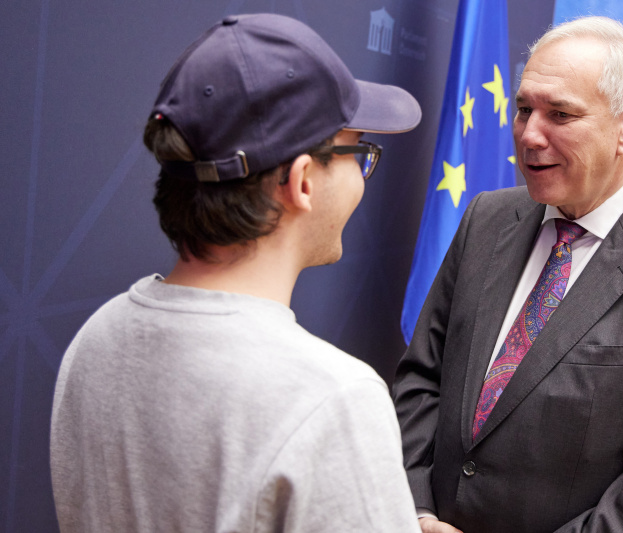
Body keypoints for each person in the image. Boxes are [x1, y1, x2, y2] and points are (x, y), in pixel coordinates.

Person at [50, 13, 423, 533]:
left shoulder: (95, 340)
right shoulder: (333, 399)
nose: (362, 177)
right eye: (358, 153)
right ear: (302, 183)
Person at [394, 16, 623, 533]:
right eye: (523, 109)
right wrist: (417, 509)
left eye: (560, 114)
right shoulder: (487, 218)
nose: (528, 134)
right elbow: (422, 381)